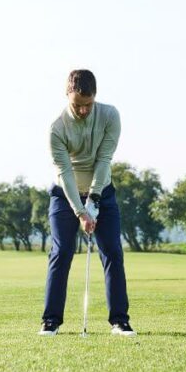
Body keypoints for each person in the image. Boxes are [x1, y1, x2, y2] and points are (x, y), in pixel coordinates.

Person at [38, 69, 135, 337]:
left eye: (88, 105)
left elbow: (104, 160)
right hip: (65, 195)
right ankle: (51, 321)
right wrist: (81, 212)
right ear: (67, 95)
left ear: (95, 97)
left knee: (112, 252)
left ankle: (120, 321)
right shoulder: (57, 128)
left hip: (103, 191)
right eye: (77, 105)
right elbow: (65, 173)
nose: (83, 111)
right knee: (62, 252)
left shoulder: (109, 116)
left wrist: (94, 199)